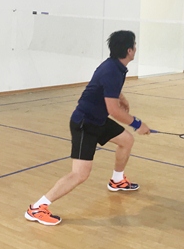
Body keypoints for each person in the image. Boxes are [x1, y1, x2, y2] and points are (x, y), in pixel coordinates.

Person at [25, 30, 150, 226]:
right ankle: (37, 208)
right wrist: (137, 123)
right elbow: (113, 110)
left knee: (126, 140)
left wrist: (122, 97)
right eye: (134, 45)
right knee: (80, 174)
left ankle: (117, 180)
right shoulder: (111, 70)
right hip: (85, 124)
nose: (136, 48)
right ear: (129, 50)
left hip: (97, 120)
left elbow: (104, 88)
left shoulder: (115, 66)